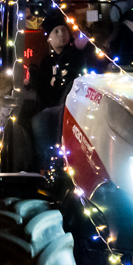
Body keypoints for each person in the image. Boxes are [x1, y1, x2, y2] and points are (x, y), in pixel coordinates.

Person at [29, 19, 89, 170]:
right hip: (53, 105)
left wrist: (85, 48)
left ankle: (52, 161)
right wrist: (33, 78)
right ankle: (45, 162)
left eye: (64, 30)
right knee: (36, 118)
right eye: (56, 31)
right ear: (49, 37)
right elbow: (43, 89)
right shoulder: (47, 61)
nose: (61, 34)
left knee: (41, 120)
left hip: (75, 105)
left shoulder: (77, 54)